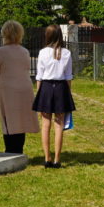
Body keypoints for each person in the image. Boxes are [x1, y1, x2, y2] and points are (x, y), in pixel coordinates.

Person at [32, 24, 75, 168]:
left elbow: (39, 76)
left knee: (45, 125)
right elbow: (68, 76)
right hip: (61, 87)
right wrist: (67, 94)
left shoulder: (43, 52)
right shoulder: (67, 53)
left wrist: (39, 95)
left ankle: (47, 158)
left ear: (48, 36)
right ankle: (57, 159)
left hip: (46, 87)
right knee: (59, 125)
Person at [0, 20, 39, 154]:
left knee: (8, 120)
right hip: (24, 88)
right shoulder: (24, 51)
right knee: (21, 121)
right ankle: (18, 150)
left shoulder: (0, 52)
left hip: (7, 90)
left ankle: (10, 150)